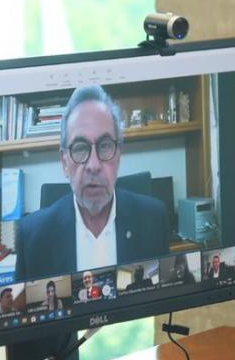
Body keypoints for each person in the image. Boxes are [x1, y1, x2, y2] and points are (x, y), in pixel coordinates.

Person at [14, 85, 170, 281]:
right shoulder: (32, 237)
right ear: (64, 162)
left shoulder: (154, 220)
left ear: (118, 157)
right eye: (80, 148)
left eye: (105, 146)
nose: (94, 165)